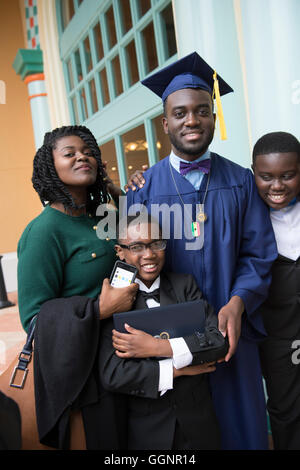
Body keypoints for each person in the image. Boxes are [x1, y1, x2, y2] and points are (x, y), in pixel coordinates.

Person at [124, 52, 278, 450]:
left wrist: (239, 301)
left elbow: (258, 253)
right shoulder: (140, 189)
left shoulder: (242, 181)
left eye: (202, 111)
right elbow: (127, 260)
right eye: (180, 113)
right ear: (165, 123)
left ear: (213, 117)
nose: (191, 121)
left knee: (242, 426)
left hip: (231, 330)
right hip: (170, 335)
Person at [16, 125, 138, 449]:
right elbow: (34, 320)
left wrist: (117, 190)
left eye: (88, 153)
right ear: (49, 165)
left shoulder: (100, 216)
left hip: (127, 354)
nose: (82, 157)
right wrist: (99, 310)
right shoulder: (43, 231)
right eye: (69, 153)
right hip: (87, 371)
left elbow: (134, 237)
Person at [99, 214, 227, 450]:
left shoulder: (185, 285)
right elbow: (114, 374)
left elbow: (218, 342)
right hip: (147, 430)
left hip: (199, 425)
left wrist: (159, 347)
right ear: (120, 251)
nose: (149, 254)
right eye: (137, 247)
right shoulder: (111, 301)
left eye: (156, 243)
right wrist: (177, 370)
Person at [251, 131, 300, 450]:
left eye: (288, 175)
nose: (277, 186)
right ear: (253, 173)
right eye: (266, 177)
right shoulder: (245, 215)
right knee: (286, 412)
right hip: (277, 338)